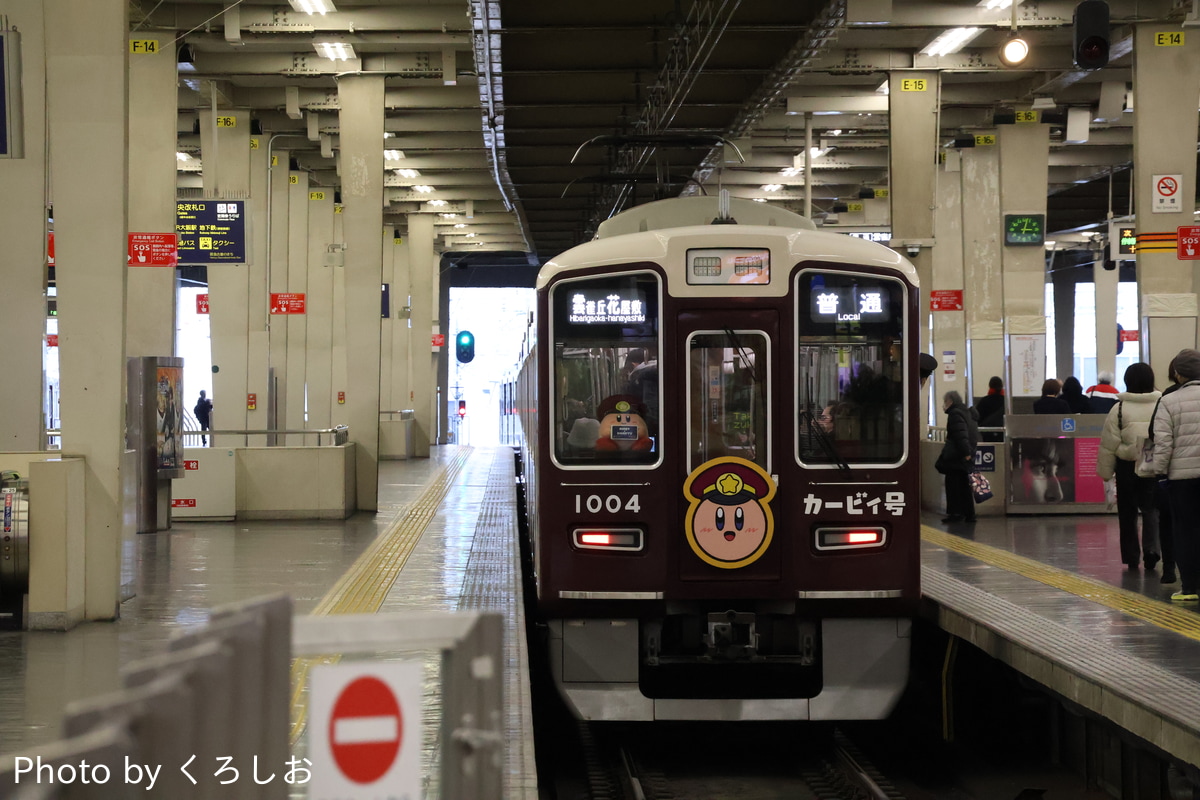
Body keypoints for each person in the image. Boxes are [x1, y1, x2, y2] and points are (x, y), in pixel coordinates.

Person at [1096, 363, 1161, 571]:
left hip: (1127, 465)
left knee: (1127, 512)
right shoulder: (1161, 404)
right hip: (1153, 462)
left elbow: (1109, 444)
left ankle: (1131, 557)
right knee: (1152, 509)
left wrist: (1106, 473)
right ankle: (1152, 550)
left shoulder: (1119, 408)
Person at [1147, 348, 1200, 602]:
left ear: (1178, 374)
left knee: (1186, 531)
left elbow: (1163, 442)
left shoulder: (1169, 401)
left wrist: (1160, 472)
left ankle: (1190, 587)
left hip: (1182, 479)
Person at [938, 390, 979, 524]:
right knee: (964, 486)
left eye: (945, 402)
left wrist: (965, 453)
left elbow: (960, 435)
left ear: (950, 401)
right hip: (965, 455)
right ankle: (969, 514)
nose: (944, 405)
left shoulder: (955, 414)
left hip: (956, 457)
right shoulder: (967, 413)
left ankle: (956, 514)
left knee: (953, 485)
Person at [973, 376, 1005, 442]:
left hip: (987, 435)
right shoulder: (1006, 402)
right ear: (1001, 386)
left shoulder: (984, 401)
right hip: (1003, 435)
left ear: (990, 386)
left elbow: (977, 418)